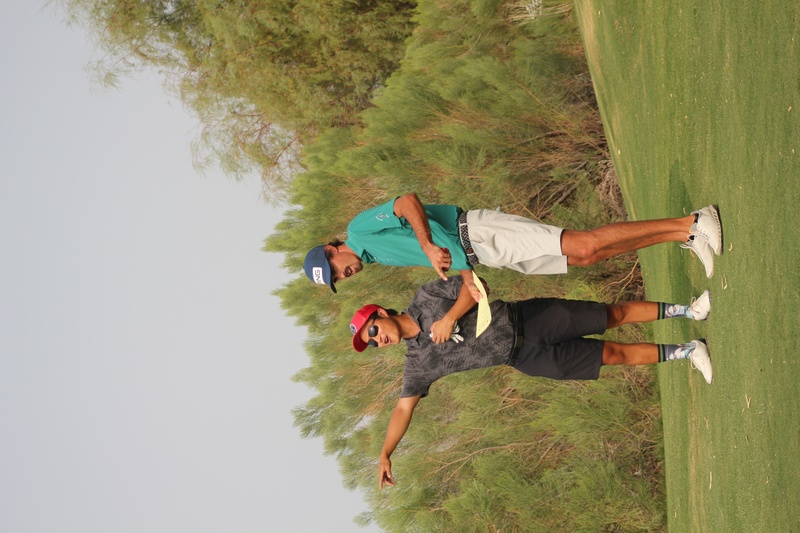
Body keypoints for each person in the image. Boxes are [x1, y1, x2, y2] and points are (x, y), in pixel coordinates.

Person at [347, 276, 714, 489]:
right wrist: (385, 453)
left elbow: (475, 283)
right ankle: (688, 351)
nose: (379, 341)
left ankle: (689, 310)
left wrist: (451, 317)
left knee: (612, 315)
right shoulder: (417, 363)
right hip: (526, 359)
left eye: (373, 332)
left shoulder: (425, 297)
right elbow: (403, 408)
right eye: (372, 344)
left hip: (532, 317)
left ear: (380, 313)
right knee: (613, 355)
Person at [304, 193, 723, 301]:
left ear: (332, 249)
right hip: (485, 254)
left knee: (585, 241)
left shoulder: (358, 231)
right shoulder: (375, 256)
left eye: (337, 268)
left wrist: (428, 246)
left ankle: (693, 220)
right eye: (340, 279)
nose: (346, 273)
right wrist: (467, 277)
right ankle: (683, 235)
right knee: (587, 255)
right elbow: (445, 252)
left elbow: (406, 202)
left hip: (479, 232)